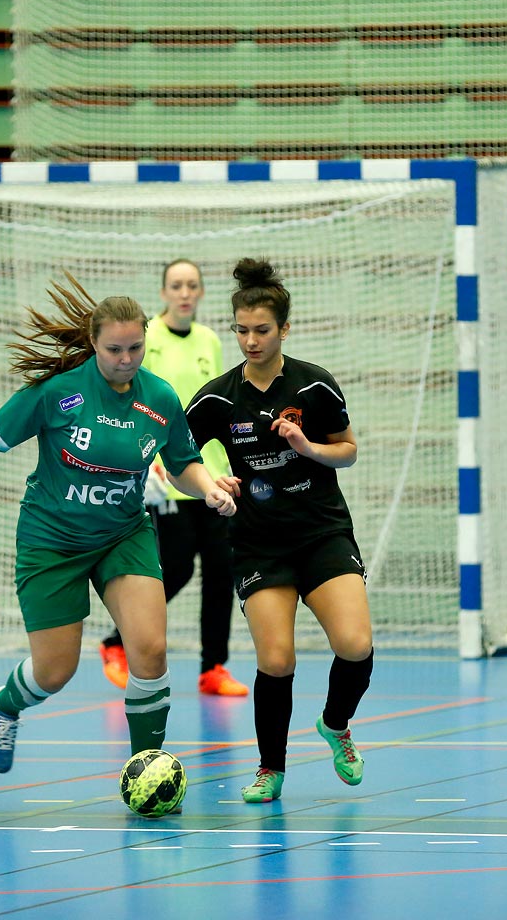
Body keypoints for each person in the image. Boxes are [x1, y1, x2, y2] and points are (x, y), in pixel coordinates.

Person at [0, 271, 236, 775]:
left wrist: (206, 486)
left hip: (123, 534)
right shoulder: (57, 393)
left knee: (150, 647)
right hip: (52, 540)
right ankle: (4, 705)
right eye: (115, 350)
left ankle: (147, 764)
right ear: (94, 344)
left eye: (135, 349)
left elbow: (184, 462)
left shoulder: (159, 398)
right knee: (56, 671)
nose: (126, 360)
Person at [185, 258, 374, 803]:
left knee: (356, 645)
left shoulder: (315, 385)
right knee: (276, 660)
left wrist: (308, 448)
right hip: (259, 542)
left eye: (261, 330)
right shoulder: (217, 398)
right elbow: (177, 457)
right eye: (241, 330)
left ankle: (336, 725)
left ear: (284, 329)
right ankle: (272, 768)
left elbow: (349, 450)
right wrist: (209, 483)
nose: (250, 340)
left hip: (321, 533)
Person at [99, 259, 249, 699]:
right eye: (176, 285)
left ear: (201, 293)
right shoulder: (146, 341)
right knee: (177, 567)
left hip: (211, 475)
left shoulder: (208, 340)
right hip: (164, 477)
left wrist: (230, 468)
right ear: (164, 292)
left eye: (192, 286)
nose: (185, 293)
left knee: (223, 571)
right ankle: (116, 641)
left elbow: (219, 408)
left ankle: (214, 668)